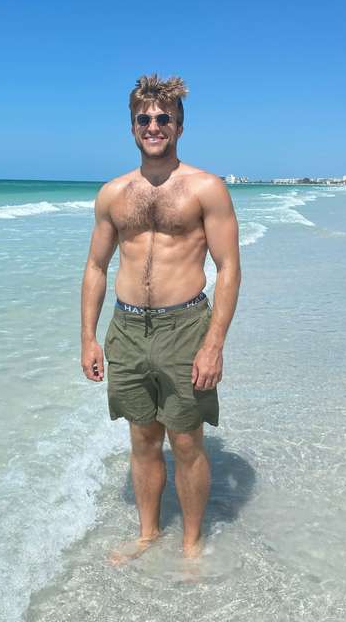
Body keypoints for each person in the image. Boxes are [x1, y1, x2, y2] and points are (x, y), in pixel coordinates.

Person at [80, 74, 241, 561]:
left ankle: (192, 544)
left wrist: (214, 343)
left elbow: (228, 268)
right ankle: (147, 534)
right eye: (144, 119)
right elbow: (96, 267)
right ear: (132, 127)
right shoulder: (113, 193)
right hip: (127, 329)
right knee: (143, 437)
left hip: (184, 327)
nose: (154, 126)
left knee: (187, 441)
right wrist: (88, 337)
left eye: (163, 118)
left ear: (179, 127)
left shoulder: (206, 188)